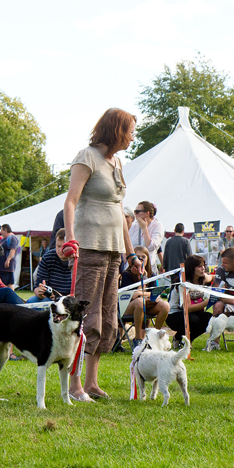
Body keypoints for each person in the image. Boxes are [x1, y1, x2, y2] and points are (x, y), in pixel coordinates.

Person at [63, 107, 143, 402]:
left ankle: (92, 382)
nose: (133, 137)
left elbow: (120, 212)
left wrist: (131, 253)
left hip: (114, 252)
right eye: (131, 131)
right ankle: (73, 384)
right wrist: (71, 238)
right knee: (86, 317)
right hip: (90, 247)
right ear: (117, 130)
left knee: (109, 318)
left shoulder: (117, 162)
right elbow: (70, 201)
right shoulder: (87, 157)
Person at [120, 246, 169, 348]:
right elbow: (132, 296)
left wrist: (141, 293)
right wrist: (141, 283)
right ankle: (138, 339)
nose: (141, 259)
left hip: (148, 305)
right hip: (128, 307)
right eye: (138, 257)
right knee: (139, 302)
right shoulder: (126, 275)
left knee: (165, 305)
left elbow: (156, 294)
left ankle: (153, 338)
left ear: (148, 259)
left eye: (143, 257)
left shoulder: (152, 275)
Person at [165, 254, 214, 344]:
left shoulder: (202, 279)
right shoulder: (184, 284)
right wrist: (209, 301)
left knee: (209, 318)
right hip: (174, 315)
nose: (203, 268)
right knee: (193, 320)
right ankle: (177, 338)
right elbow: (188, 308)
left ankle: (188, 341)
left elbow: (213, 277)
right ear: (192, 268)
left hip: (193, 314)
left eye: (203, 265)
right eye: (200, 266)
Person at [28, 229, 72, 304]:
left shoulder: (78, 259)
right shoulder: (47, 257)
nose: (60, 250)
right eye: (58, 246)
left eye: (64, 247)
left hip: (71, 298)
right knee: (30, 302)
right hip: (50, 297)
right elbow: (37, 286)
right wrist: (40, 291)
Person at [129, 201, 164, 269]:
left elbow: (150, 247)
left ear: (147, 213)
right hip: (133, 267)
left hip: (149, 267)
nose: (135, 214)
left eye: (137, 211)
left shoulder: (157, 226)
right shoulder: (134, 226)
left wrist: (144, 228)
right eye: (134, 211)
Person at [0, 224, 19, 289]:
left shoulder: (12, 237)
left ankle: (10, 296)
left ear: (5, 230)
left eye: (1, 230)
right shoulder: (3, 239)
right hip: (0, 266)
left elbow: (12, 250)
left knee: (9, 282)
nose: (0, 232)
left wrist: (8, 260)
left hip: (6, 267)